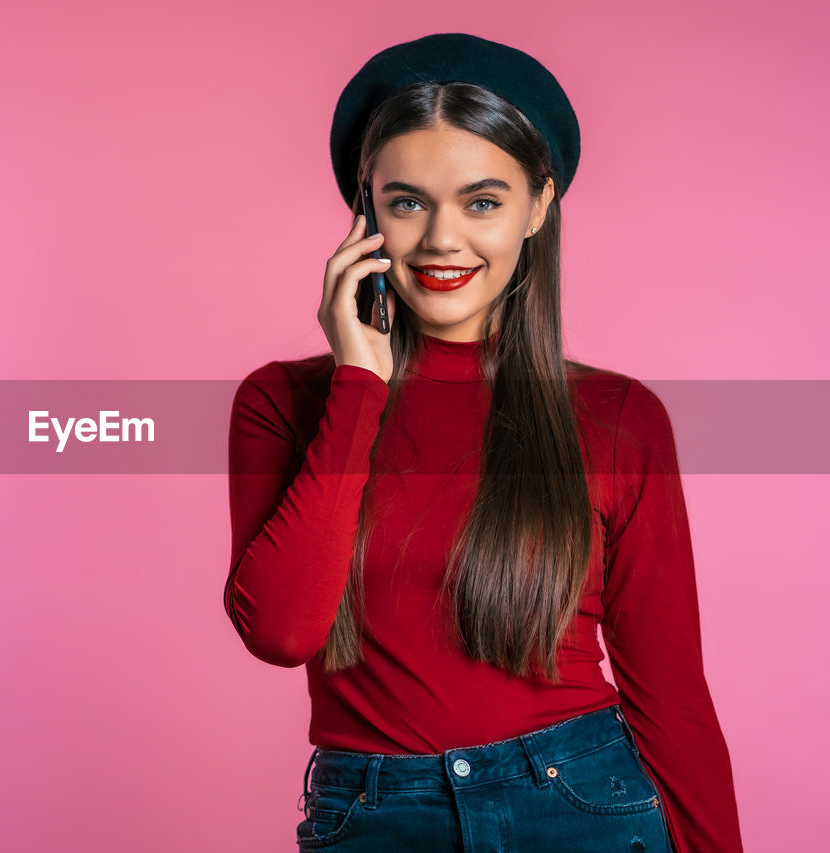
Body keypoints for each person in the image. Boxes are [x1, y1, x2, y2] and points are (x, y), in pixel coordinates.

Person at [224, 33, 743, 852]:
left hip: (580, 797)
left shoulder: (618, 419)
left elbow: (671, 691)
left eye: (482, 200)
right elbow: (281, 631)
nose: (441, 240)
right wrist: (358, 385)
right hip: (373, 813)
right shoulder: (285, 404)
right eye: (406, 202)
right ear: (365, 214)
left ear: (539, 204)